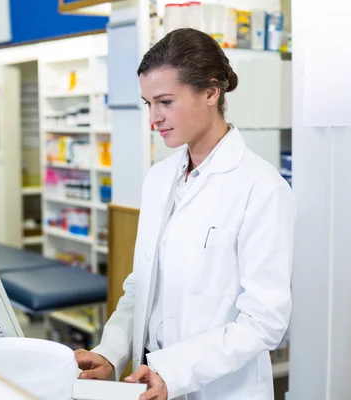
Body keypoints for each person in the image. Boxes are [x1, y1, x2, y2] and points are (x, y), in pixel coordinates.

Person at [74, 28, 296, 400]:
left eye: (165, 101)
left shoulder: (262, 188)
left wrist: (174, 371)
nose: (154, 118)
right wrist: (110, 352)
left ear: (211, 92)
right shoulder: (160, 179)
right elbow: (141, 284)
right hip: (150, 378)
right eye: (148, 104)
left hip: (219, 388)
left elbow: (264, 322)